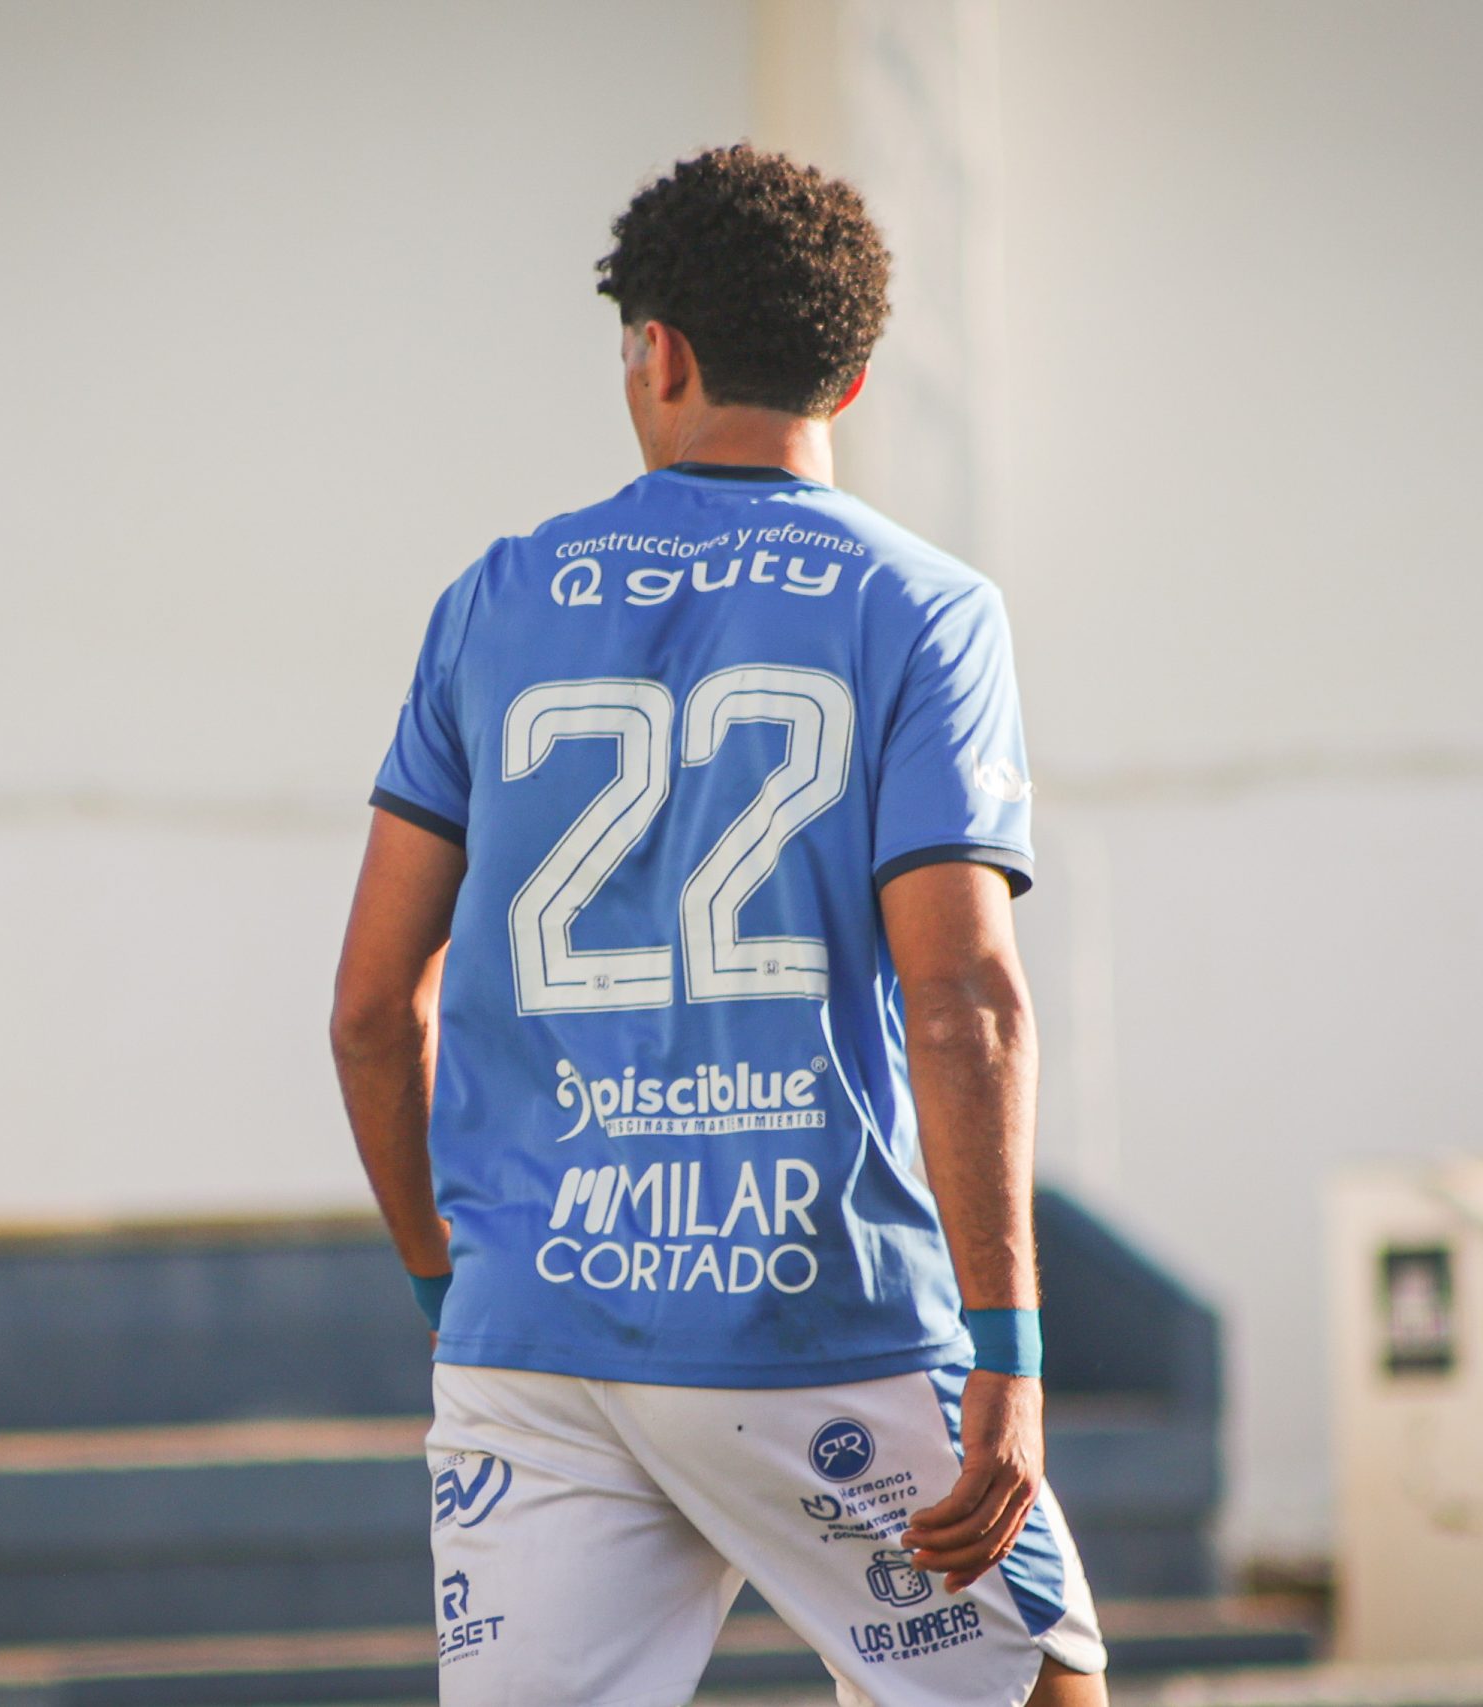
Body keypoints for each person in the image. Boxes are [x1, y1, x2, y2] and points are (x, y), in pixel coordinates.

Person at [330, 143, 1106, 1707]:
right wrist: (1009, 1354)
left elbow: (370, 1010)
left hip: (536, 1332)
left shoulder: (491, 599)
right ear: (854, 378)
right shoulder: (923, 607)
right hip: (815, 1314)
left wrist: (445, 1286)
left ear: (659, 352)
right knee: (1038, 1693)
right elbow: (963, 1000)